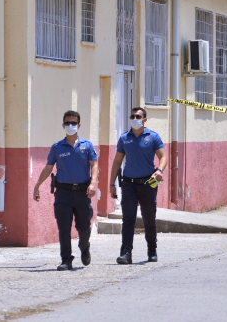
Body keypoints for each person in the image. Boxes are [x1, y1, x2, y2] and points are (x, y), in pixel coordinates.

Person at [33, 110, 99, 271]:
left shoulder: (87, 145)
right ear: (63, 125)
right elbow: (48, 168)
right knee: (64, 227)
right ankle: (66, 260)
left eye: (74, 123)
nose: (71, 125)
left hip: (83, 192)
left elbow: (94, 165)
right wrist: (37, 185)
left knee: (84, 227)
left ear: (79, 125)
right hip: (63, 193)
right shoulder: (57, 147)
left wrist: (93, 183)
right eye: (68, 123)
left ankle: (84, 247)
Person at [109, 107, 167, 265]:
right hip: (128, 183)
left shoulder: (153, 137)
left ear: (144, 120)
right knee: (128, 218)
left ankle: (152, 249)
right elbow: (117, 161)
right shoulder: (124, 138)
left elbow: (163, 157)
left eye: (138, 116)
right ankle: (126, 252)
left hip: (148, 184)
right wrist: (111, 183)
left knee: (149, 217)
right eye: (132, 116)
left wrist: (159, 170)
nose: (135, 119)